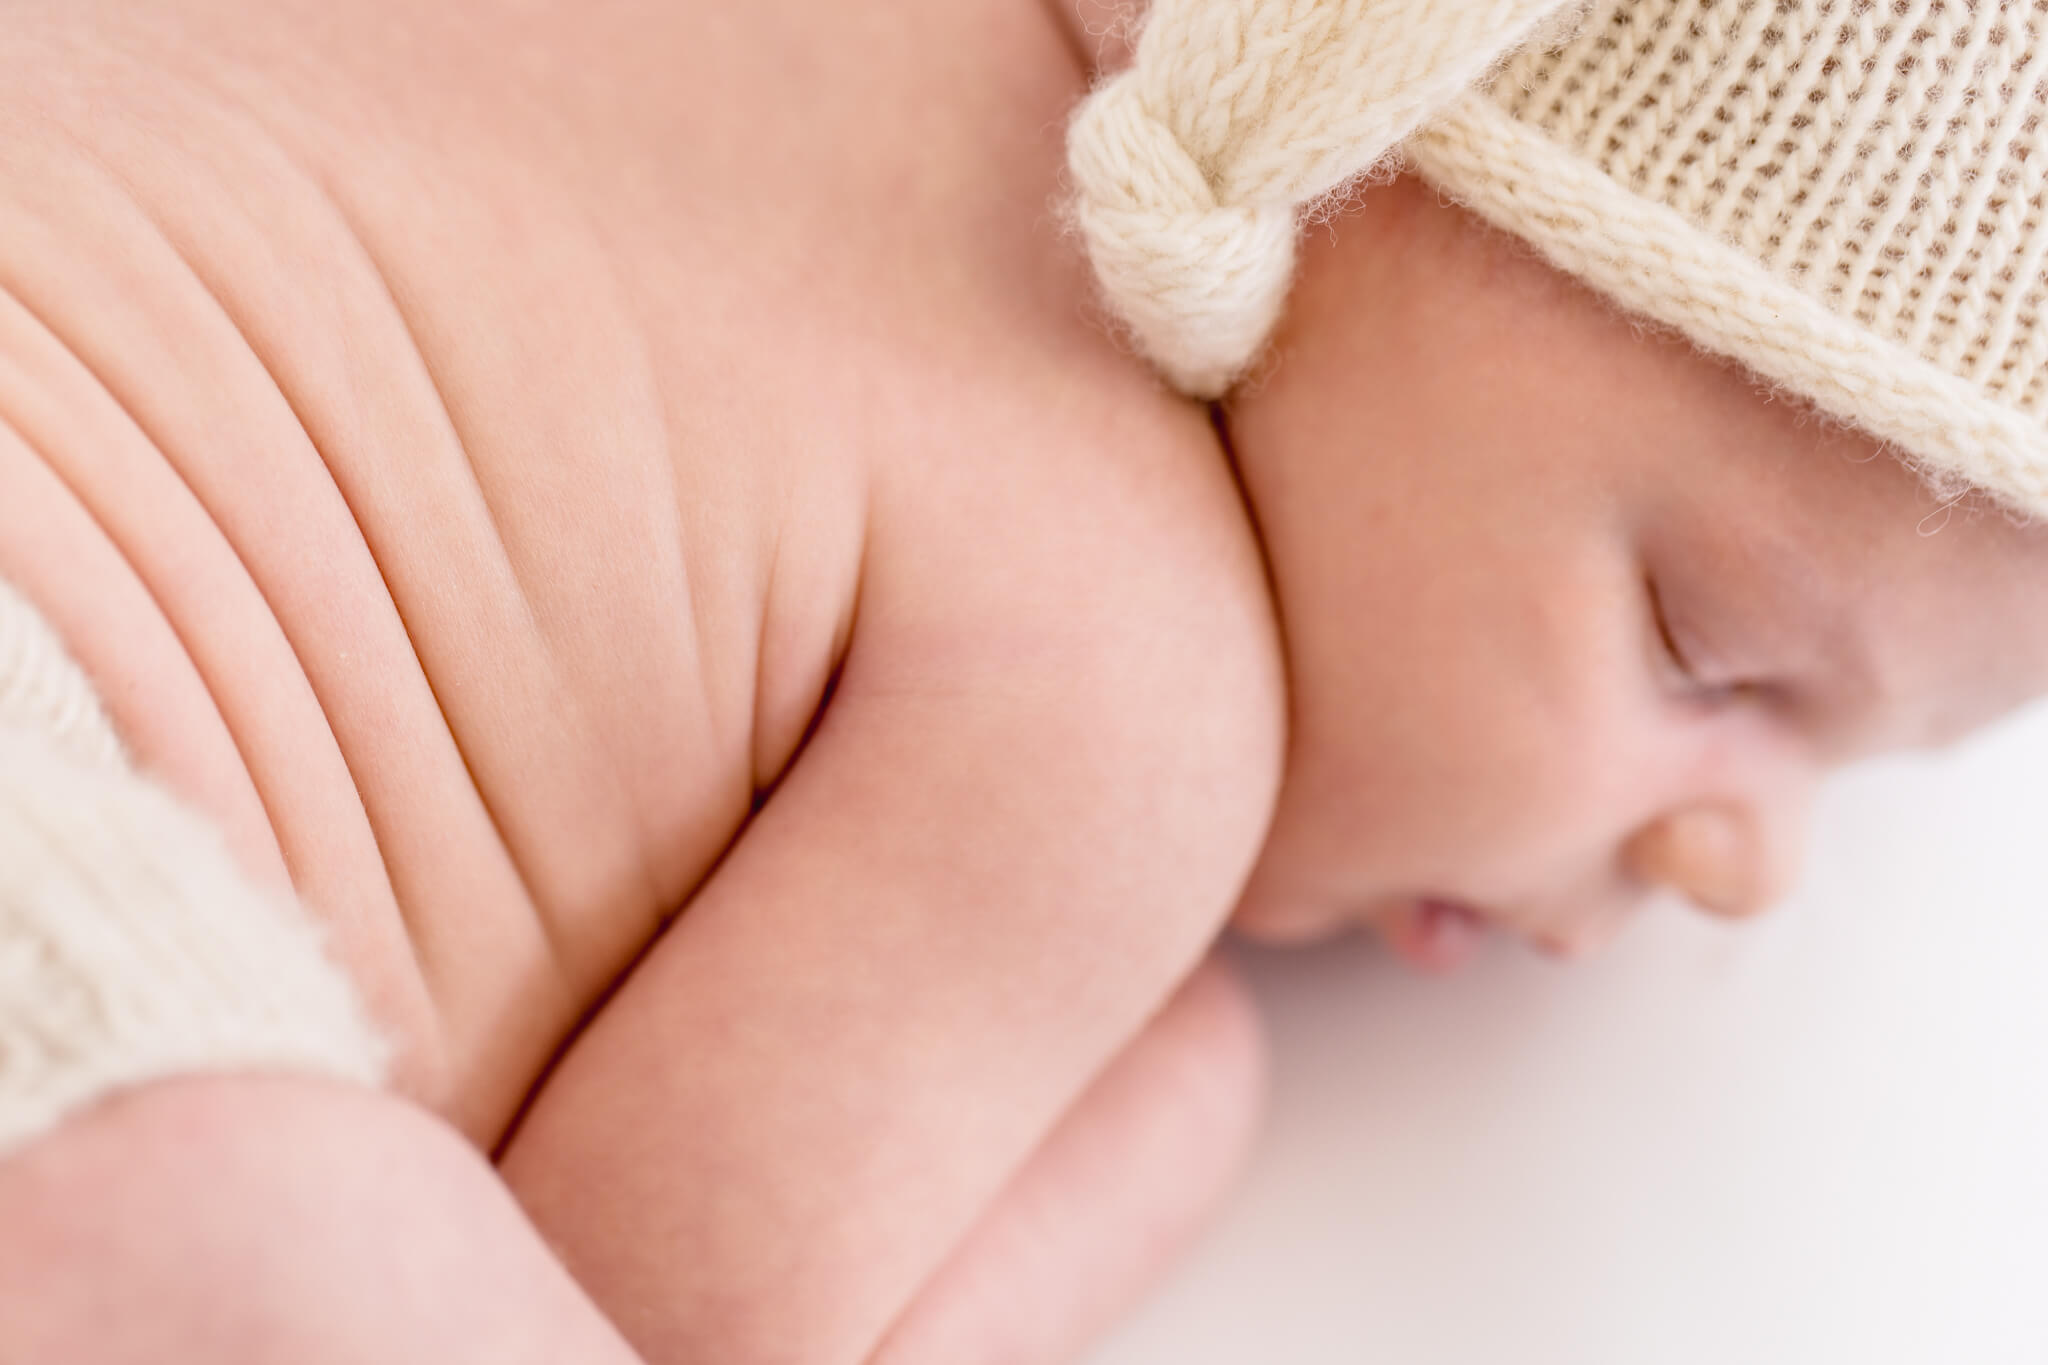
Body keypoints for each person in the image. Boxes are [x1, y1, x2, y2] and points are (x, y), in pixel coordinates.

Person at [0, 1, 2043, 1362]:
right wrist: (1164, 1103)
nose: (1744, 859)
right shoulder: (1126, 663)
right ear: (1330, 130)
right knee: (280, 1248)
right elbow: (661, 1319)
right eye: (1721, 655)